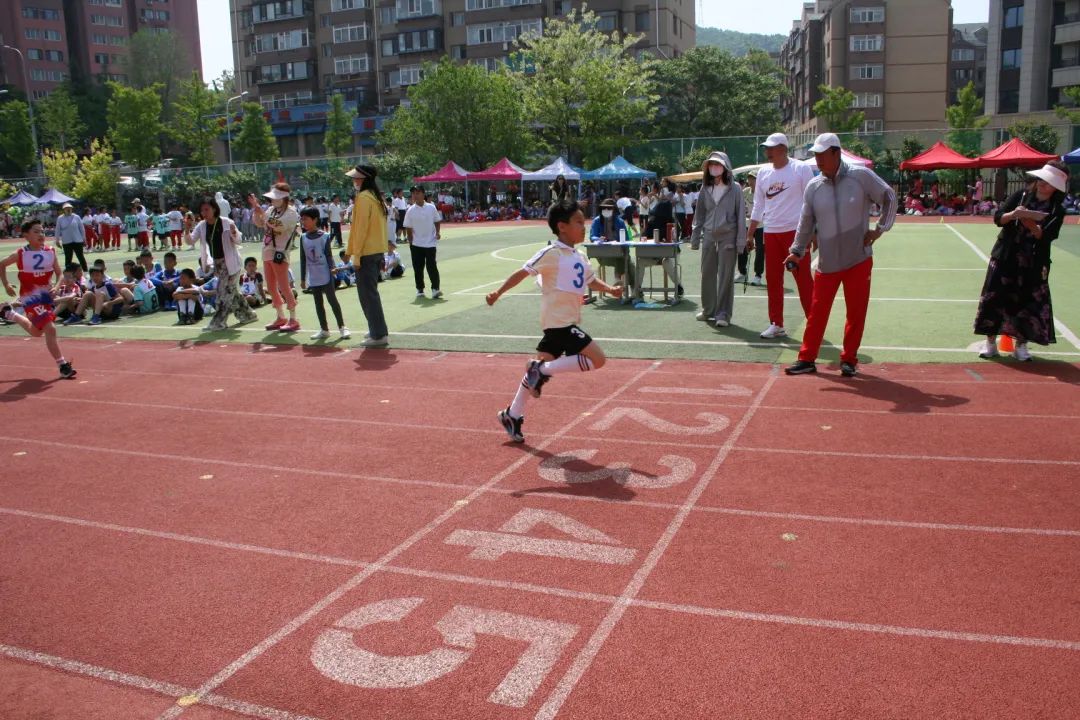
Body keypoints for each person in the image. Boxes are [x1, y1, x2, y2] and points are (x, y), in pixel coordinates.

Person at [487, 198, 622, 442]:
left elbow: (591, 281)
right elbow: (522, 272)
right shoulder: (551, 253)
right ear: (562, 227)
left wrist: (610, 290)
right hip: (560, 324)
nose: (584, 226)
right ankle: (540, 369)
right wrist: (498, 293)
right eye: (578, 222)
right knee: (597, 359)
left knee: (533, 379)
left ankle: (512, 414)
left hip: (563, 322)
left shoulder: (579, 256)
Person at [783, 133, 897, 377]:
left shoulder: (861, 177)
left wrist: (880, 229)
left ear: (836, 152)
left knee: (856, 313)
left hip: (858, 259)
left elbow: (889, 197)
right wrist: (795, 251)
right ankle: (807, 358)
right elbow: (805, 223)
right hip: (827, 262)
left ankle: (849, 360)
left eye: (822, 154)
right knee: (817, 312)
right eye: (815, 155)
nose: (818, 160)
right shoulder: (813, 186)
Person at [973, 161, 1067, 362]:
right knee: (995, 297)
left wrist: (1031, 223)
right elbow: (998, 218)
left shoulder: (1057, 209)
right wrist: (1014, 214)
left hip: (1033, 261)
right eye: (1041, 179)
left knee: (1028, 302)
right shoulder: (1021, 196)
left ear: (1056, 187)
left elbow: (1047, 236)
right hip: (1006, 255)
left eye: (1048, 182)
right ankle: (990, 343)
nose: (1042, 184)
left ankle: (1021, 346)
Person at [748, 132, 816, 339]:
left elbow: (812, 202)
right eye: (766, 148)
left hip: (796, 233)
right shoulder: (763, 173)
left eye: (772, 148)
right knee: (773, 280)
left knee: (804, 279)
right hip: (771, 232)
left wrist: (813, 232)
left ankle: (815, 323)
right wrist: (750, 234)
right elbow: (758, 205)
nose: (768, 151)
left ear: (784, 149)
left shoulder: (801, 168)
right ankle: (776, 324)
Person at [0, 219, 77, 378]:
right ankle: (63, 366)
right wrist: (6, 284)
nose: (41, 234)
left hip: (45, 296)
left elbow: (59, 273)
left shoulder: (50, 251)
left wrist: (56, 286)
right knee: (51, 328)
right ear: (26, 235)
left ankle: (9, 314)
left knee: (36, 332)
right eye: (36, 231)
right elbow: (2, 264)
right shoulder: (21, 253)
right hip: (30, 297)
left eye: (42, 231)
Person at [690, 151, 745, 327]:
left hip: (728, 237)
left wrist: (740, 241)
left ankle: (723, 314)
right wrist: (695, 238)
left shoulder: (735, 188)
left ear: (725, 166)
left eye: (718, 164)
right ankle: (708, 310)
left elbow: (741, 216)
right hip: (708, 236)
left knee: (726, 277)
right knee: (707, 274)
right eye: (711, 165)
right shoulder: (705, 188)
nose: (714, 167)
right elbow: (699, 215)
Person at [192, 196, 259, 331]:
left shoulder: (226, 222)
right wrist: (187, 229)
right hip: (217, 264)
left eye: (207, 209)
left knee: (222, 292)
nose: (204, 213)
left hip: (231, 263)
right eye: (202, 210)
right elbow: (190, 240)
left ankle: (219, 322)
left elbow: (239, 240)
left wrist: (234, 233)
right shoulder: (202, 226)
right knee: (231, 291)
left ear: (214, 209)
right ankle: (248, 314)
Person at [345, 165, 390, 347]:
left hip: (366, 253)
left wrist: (356, 255)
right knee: (370, 294)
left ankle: (378, 334)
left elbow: (361, 229)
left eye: (357, 178)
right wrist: (350, 251)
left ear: (364, 179)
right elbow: (360, 228)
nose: (354, 181)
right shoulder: (375, 197)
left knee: (367, 295)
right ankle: (376, 329)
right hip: (375, 251)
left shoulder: (364, 198)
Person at [252, 182, 300, 332]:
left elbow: (278, 225)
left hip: (280, 251)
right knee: (271, 286)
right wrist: (256, 210)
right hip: (267, 250)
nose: (272, 200)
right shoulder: (271, 210)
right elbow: (260, 223)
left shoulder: (291, 212)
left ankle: (293, 318)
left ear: (283, 198)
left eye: (275, 197)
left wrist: (262, 213)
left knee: (284, 285)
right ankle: (280, 316)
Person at [299, 206, 350, 340]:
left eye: (306, 219)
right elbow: (303, 258)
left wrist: (332, 267)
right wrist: (303, 278)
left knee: (332, 301)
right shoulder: (303, 237)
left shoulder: (325, 236)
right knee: (318, 303)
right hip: (313, 275)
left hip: (326, 274)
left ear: (315, 219)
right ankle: (324, 329)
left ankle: (342, 327)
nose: (303, 222)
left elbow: (328, 255)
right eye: (302, 219)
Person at [403, 185, 443, 298]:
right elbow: (408, 228)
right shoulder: (410, 210)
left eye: (418, 193)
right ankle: (420, 289)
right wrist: (411, 241)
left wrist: (438, 232)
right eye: (414, 193)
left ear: (423, 194)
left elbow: (437, 221)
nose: (415, 195)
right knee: (418, 267)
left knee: (432, 266)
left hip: (430, 242)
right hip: (416, 244)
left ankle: (435, 289)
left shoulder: (431, 207)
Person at [589, 198, 633, 289]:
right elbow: (592, 236)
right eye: (605, 208)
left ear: (614, 210)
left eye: (609, 209)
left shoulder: (619, 221)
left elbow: (627, 240)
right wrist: (598, 239)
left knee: (626, 260)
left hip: (618, 253)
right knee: (628, 263)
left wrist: (621, 242)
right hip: (603, 254)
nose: (607, 211)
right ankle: (633, 290)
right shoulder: (597, 221)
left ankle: (623, 285)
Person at [737, 168, 765, 286]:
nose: (750, 180)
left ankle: (758, 275)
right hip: (746, 224)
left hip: (761, 225)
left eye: (753, 178)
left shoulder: (763, 192)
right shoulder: (745, 191)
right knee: (742, 247)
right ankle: (742, 273)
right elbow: (740, 205)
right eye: (749, 178)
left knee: (760, 250)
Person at [56, 203, 87, 271]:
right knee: (68, 258)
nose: (68, 209)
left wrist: (84, 238)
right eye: (66, 208)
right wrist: (57, 240)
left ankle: (85, 270)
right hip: (66, 241)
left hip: (78, 240)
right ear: (64, 210)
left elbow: (82, 228)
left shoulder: (77, 217)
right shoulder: (60, 218)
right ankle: (68, 273)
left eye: (70, 208)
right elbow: (57, 230)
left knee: (81, 257)